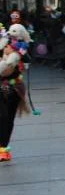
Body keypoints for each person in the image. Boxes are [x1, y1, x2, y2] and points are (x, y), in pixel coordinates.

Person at [0, 24, 31, 163]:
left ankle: (3, 148)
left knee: (7, 118)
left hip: (13, 87)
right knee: (3, 117)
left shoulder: (14, 46)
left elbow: (27, 59)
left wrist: (16, 51)